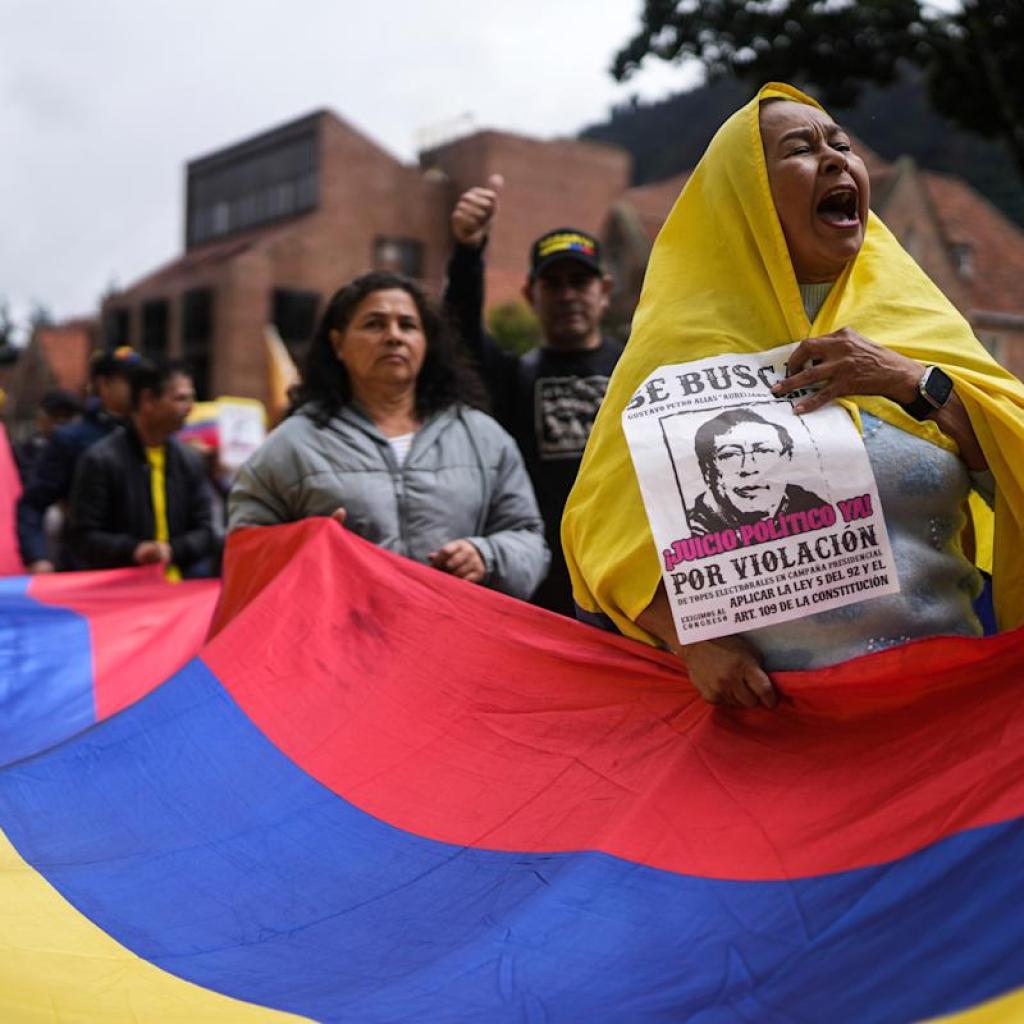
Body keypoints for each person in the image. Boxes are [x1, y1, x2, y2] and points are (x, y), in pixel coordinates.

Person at [562, 82, 1024, 710]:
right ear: (744, 197)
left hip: (943, 720)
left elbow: (1011, 471)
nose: (837, 159)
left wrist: (911, 383)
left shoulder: (918, 330)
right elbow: (600, 531)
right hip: (775, 731)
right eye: (802, 149)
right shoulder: (673, 349)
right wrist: (689, 642)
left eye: (842, 144)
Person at [228, 271, 549, 601]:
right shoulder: (292, 445)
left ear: (426, 342)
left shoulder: (484, 438)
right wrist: (304, 543)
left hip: (454, 643)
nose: (394, 336)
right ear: (338, 343)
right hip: (339, 645)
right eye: (374, 324)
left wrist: (487, 556)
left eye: (408, 325)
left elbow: (530, 540)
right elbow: (244, 551)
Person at [445, 178, 622, 615]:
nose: (567, 296)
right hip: (542, 590)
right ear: (530, 295)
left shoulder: (639, 371)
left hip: (629, 582)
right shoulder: (510, 378)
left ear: (604, 291)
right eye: (553, 284)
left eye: (580, 282)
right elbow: (459, 334)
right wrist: (469, 251)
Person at [68, 359, 217, 579]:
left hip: (181, 597)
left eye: (192, 398)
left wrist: (173, 550)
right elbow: (82, 537)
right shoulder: (100, 460)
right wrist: (134, 551)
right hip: (123, 597)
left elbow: (207, 531)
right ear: (148, 400)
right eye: (181, 398)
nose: (190, 407)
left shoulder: (189, 461)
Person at [17, 347, 140, 572]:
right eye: (130, 380)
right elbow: (33, 503)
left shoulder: (154, 437)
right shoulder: (71, 439)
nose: (140, 387)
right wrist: (37, 557)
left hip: (146, 568)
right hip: (88, 569)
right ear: (105, 384)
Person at [686, 408, 825, 535]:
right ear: (707, 472)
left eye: (764, 451)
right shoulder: (688, 530)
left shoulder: (818, 509)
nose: (749, 468)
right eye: (730, 454)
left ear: (786, 460)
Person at [13, 389, 84, 484]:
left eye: (67, 417)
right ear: (40, 418)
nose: (61, 422)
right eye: (55, 416)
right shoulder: (21, 451)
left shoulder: (81, 452)